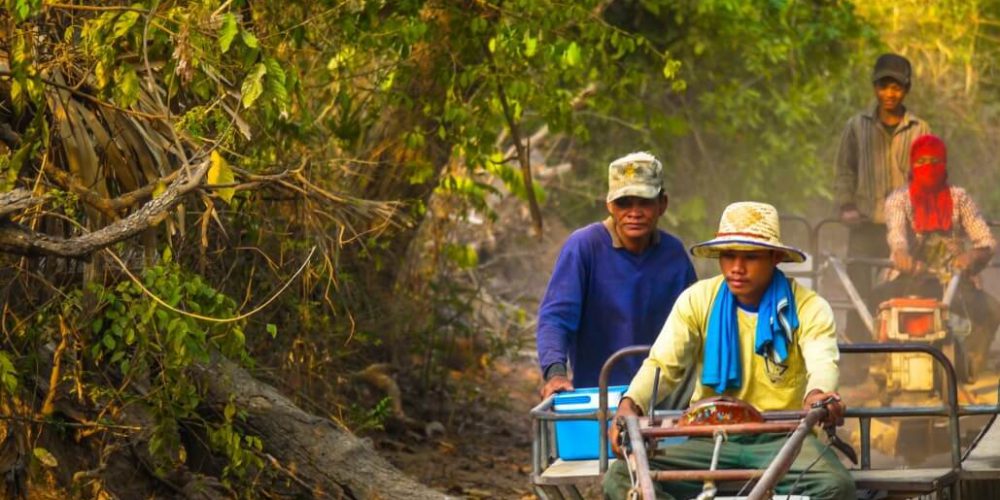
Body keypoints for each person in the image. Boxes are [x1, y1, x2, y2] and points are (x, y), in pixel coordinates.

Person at [603, 202, 853, 500]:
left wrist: (818, 394)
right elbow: (662, 364)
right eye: (729, 255)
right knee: (621, 478)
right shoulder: (697, 300)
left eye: (750, 257)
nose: (737, 267)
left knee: (836, 487)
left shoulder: (808, 307)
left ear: (775, 258)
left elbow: (822, 359)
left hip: (783, 438)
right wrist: (631, 404)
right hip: (706, 435)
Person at [536, 152, 696, 399]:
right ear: (610, 205)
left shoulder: (673, 254)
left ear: (662, 204)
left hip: (662, 397)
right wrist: (555, 372)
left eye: (644, 202)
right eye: (624, 203)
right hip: (599, 395)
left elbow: (695, 324)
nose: (635, 212)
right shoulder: (584, 247)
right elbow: (556, 317)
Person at [872, 134, 1000, 375]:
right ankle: (879, 365)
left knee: (992, 311)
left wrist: (973, 256)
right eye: (921, 162)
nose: (928, 167)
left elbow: (986, 239)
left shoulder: (959, 198)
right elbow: (896, 234)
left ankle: (967, 370)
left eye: (934, 160)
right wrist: (901, 255)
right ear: (912, 165)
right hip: (908, 278)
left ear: (944, 164)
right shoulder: (899, 199)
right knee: (877, 300)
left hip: (952, 280)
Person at [834, 53, 931, 348]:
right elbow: (844, 170)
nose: (889, 93)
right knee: (857, 292)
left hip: (905, 229)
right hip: (865, 223)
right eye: (883, 85)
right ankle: (859, 358)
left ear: (906, 89)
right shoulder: (856, 126)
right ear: (874, 87)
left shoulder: (919, 129)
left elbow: (928, 178)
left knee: (906, 290)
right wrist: (846, 206)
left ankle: (904, 354)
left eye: (896, 87)